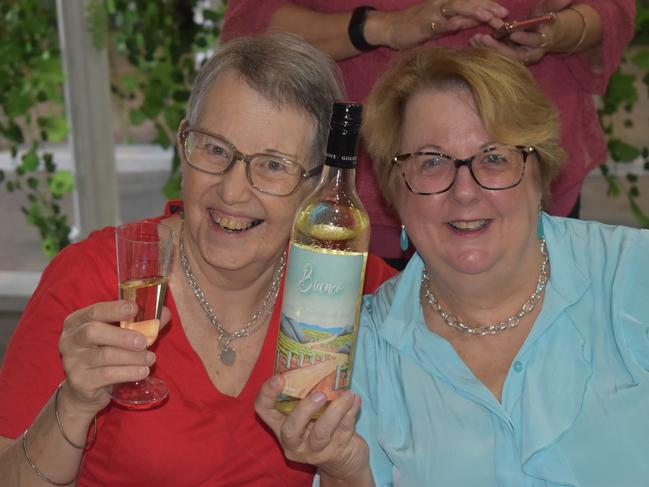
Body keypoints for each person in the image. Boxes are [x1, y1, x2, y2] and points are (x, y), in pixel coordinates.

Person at [0, 32, 396, 486]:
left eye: (272, 165)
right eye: (214, 149)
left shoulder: (350, 286)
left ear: (316, 183)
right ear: (183, 147)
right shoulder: (92, 280)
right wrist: (71, 405)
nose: (231, 191)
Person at [256, 46, 649, 486]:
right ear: (395, 192)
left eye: (494, 158)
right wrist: (344, 471)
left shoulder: (633, 275)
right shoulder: (361, 352)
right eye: (432, 163)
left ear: (538, 174)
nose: (465, 191)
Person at [221, 0, 635, 266]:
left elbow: (611, 8)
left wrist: (553, 31)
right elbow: (252, 23)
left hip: (523, 175)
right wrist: (383, 27)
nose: (463, 189)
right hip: (354, 198)